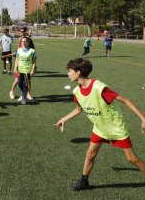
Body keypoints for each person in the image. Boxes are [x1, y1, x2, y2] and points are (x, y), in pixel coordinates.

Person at [55, 58, 145, 191]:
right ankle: (84, 181)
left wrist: (143, 118)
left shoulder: (99, 87)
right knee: (90, 154)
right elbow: (79, 109)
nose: (68, 74)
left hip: (116, 127)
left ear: (78, 72)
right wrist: (64, 119)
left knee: (131, 159)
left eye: (70, 71)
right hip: (100, 127)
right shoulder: (77, 92)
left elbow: (126, 100)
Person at [10, 27, 35, 100]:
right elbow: (18, 49)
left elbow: (32, 51)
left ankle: (28, 94)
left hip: (27, 63)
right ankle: (12, 91)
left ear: (26, 31)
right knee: (17, 80)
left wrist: (33, 66)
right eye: (21, 31)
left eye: (23, 31)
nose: (22, 32)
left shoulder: (29, 40)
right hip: (19, 62)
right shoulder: (20, 39)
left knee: (28, 81)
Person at [14, 37, 36, 105]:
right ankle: (25, 94)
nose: (23, 42)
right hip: (20, 70)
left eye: (25, 41)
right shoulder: (19, 50)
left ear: (28, 42)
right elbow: (17, 60)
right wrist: (15, 69)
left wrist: (33, 70)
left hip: (27, 70)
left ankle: (23, 97)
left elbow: (34, 62)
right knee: (19, 83)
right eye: (22, 41)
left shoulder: (32, 51)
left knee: (25, 84)